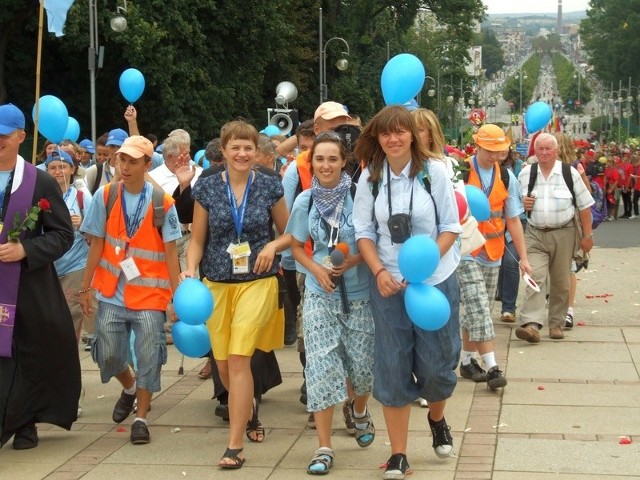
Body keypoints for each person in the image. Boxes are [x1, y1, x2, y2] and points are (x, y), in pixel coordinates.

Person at [353, 105, 462, 480]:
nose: (393, 139)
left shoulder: (434, 172)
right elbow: (364, 231)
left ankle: (437, 417)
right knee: (392, 365)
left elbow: (450, 226)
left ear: (414, 135)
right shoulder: (370, 176)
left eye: (401, 132)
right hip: (388, 283)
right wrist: (379, 271)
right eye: (386, 133)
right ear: (378, 138)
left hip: (433, 282)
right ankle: (398, 453)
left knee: (436, 366)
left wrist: (430, 260)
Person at [181, 119, 291, 469]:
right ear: (224, 151)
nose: (242, 153)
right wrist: (188, 269)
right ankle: (250, 410)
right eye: (235, 147)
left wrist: (273, 245)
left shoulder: (270, 186)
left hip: (258, 281)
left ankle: (234, 445)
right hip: (216, 283)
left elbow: (290, 233)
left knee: (241, 357)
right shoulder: (208, 187)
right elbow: (197, 240)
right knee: (225, 364)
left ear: (257, 151)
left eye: (248, 147)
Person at [78, 135, 181, 444]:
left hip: (149, 296)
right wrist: (86, 288)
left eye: (132, 161)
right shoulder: (106, 195)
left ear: (147, 165)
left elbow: (172, 252)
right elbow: (96, 242)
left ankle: (141, 417)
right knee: (107, 355)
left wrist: (176, 298)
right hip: (111, 292)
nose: (124, 166)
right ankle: (130, 387)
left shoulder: (162, 201)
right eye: (121, 159)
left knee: (149, 355)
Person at [287, 132, 375, 475]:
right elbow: (295, 247)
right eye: (319, 160)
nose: (326, 165)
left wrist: (354, 261)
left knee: (364, 370)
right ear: (312, 164)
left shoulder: (361, 198)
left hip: (359, 294)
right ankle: (324, 447)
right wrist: (316, 270)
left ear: (344, 162)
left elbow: (376, 244)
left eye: (332, 159)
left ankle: (360, 409)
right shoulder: (304, 202)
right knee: (321, 370)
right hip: (319, 294)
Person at [0, 103, 80, 450]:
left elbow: (63, 233)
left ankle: (26, 421)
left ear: (21, 136)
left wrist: (26, 251)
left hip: (28, 285)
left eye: (4, 134)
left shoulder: (39, 181)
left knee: (28, 351)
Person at [457, 124, 531, 390]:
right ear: (477, 145)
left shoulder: (507, 176)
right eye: (490, 150)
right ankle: (492, 367)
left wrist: (523, 258)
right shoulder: (461, 171)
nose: (495, 156)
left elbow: (512, 219)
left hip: (493, 253)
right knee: (477, 305)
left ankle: (467, 361)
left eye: (500, 151)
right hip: (466, 251)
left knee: (481, 309)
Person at [516, 133, 594, 342]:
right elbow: (512, 204)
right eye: (540, 148)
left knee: (560, 281)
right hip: (534, 233)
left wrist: (588, 236)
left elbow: (585, 206)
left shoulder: (569, 174)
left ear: (556, 151)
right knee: (535, 276)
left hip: (564, 232)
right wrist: (522, 204)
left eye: (548, 148)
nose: (543, 153)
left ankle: (557, 324)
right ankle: (531, 324)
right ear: (535, 151)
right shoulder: (525, 174)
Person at [495, 148, 526, 324]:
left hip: (516, 223)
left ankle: (509, 308)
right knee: (499, 264)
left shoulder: (518, 169)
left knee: (510, 262)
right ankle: (501, 294)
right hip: (495, 228)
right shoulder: (474, 171)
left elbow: (515, 212)